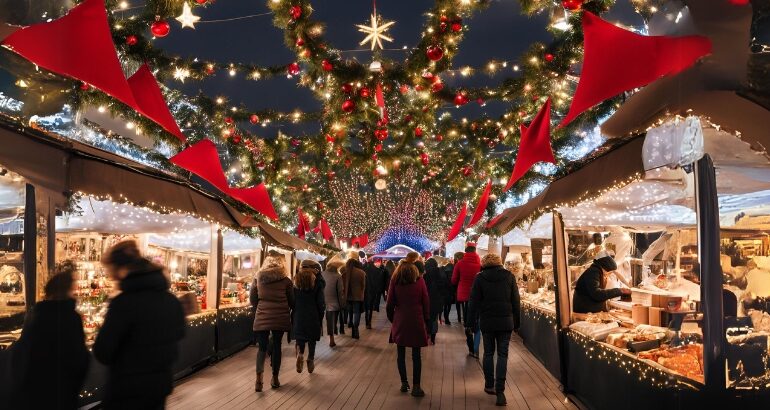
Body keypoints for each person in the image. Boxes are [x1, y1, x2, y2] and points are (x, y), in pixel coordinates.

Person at [93, 241, 185, 409]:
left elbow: (103, 351)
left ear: (121, 269)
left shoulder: (123, 303)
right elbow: (180, 333)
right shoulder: (171, 300)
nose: (110, 276)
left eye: (110, 271)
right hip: (159, 387)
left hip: (126, 392)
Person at [12, 262, 89, 410]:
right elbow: (79, 357)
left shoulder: (35, 315)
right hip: (63, 390)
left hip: (35, 389)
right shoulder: (71, 317)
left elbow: (24, 350)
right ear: (68, 291)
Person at [466, 253, 521, 407]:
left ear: (484, 263)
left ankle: (489, 384)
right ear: (499, 263)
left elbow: (473, 302)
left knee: (488, 352)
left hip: (487, 321)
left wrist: (469, 323)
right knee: (503, 354)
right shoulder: (509, 276)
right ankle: (500, 391)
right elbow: (516, 301)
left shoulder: (480, 278)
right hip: (505, 322)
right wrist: (517, 323)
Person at [251, 253, 294, 391]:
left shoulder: (258, 278)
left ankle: (259, 380)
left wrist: (261, 308)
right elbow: (292, 302)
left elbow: (253, 299)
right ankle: (275, 378)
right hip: (279, 316)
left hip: (262, 315)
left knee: (262, 348)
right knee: (276, 346)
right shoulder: (286, 280)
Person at [386, 261, 430, 397]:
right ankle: (417, 386)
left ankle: (404, 383)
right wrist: (426, 320)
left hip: (400, 319)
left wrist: (393, 319)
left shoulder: (395, 281)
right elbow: (425, 301)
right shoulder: (420, 281)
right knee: (416, 355)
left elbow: (389, 303)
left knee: (401, 354)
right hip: (416, 319)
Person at [293, 260, 325, 374]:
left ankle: (300, 354)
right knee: (312, 340)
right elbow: (321, 302)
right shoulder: (317, 282)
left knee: (300, 338)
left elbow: (292, 300)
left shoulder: (295, 280)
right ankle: (310, 358)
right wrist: (321, 315)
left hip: (299, 315)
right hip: (313, 315)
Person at [452, 243, 482, 357]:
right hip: (478, 297)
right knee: (477, 322)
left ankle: (471, 349)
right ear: (475, 251)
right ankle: (476, 347)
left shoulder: (460, 263)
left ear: (465, 251)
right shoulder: (480, 264)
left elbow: (454, 280)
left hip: (464, 296)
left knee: (468, 322)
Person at [322, 256, 345, 347]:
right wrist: (342, 303)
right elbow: (340, 291)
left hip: (323, 301)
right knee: (333, 320)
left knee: (329, 320)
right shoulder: (338, 276)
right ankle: (332, 338)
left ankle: (331, 336)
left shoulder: (322, 274)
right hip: (334, 302)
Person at [423, 258, 447, 344]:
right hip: (437, 300)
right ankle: (433, 338)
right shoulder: (441, 274)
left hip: (427, 300)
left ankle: (427, 335)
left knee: (426, 317)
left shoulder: (425, 276)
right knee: (434, 319)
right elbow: (444, 289)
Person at [342, 256, 366, 339]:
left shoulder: (345, 273)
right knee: (357, 313)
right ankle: (355, 328)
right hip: (358, 297)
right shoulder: (361, 273)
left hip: (348, 296)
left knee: (350, 312)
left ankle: (351, 325)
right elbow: (363, 286)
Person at [364, 257, 389, 329]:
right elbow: (380, 281)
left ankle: (367, 321)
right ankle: (369, 322)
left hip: (366, 290)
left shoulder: (364, 269)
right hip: (373, 290)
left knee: (367, 307)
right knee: (370, 307)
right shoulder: (377, 270)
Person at [443, 252, 463, 325]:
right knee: (454, 304)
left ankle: (447, 318)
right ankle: (458, 318)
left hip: (448, 288)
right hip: (455, 288)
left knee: (447, 305)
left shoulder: (447, 267)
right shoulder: (457, 266)